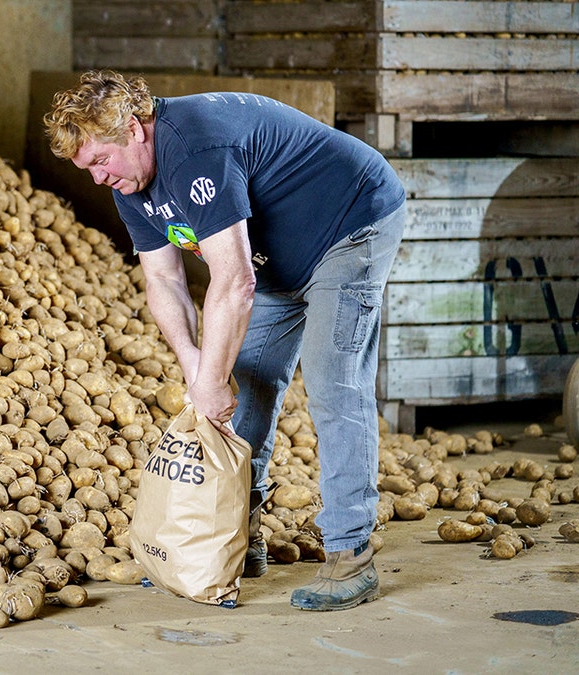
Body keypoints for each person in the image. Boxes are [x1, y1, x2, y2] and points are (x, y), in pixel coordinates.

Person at [44, 70, 406, 611]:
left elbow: (233, 282)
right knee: (247, 385)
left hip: (350, 223)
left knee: (333, 382)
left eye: (101, 161)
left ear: (135, 131)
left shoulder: (194, 147)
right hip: (276, 259)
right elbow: (163, 280)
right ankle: (236, 539)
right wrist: (197, 368)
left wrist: (211, 379)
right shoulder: (131, 183)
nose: (97, 178)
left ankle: (350, 554)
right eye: (87, 168)